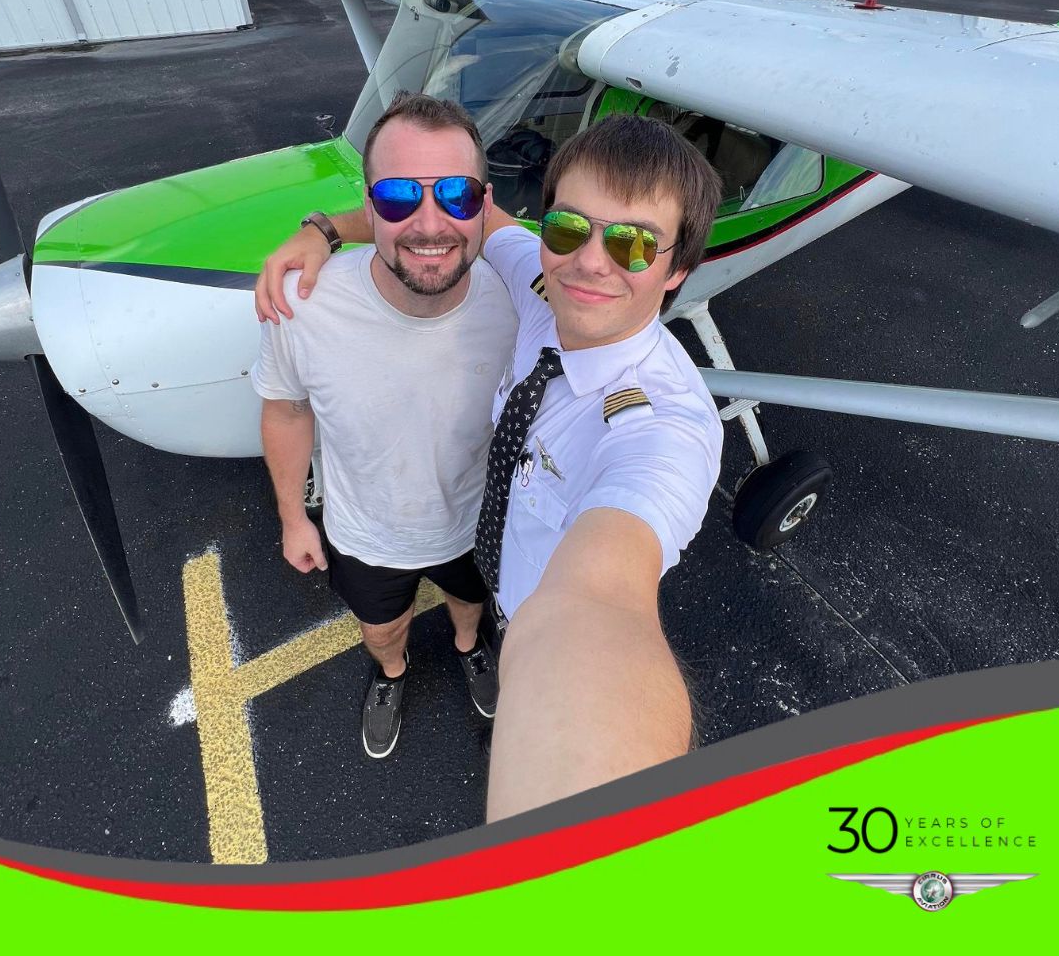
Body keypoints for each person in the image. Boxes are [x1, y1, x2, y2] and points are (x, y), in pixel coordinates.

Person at [257, 110, 724, 818]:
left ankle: (475, 647)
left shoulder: (663, 428)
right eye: (568, 228)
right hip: (466, 549)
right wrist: (322, 229)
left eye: (633, 244)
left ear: (677, 270)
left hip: (531, 611)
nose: (591, 261)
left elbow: (602, 596)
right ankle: (419, 662)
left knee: (477, 616)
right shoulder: (540, 280)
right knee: (407, 625)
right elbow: (444, 218)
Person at [251, 92, 518, 759]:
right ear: (369, 208)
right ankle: (392, 673)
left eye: (456, 193)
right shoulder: (305, 303)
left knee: (469, 606)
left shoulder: (522, 299)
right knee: (381, 632)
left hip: (475, 520)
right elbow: (285, 408)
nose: (429, 222)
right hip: (364, 534)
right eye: (398, 196)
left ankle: (469, 647)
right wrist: (293, 517)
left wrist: (324, 226)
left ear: (485, 205)